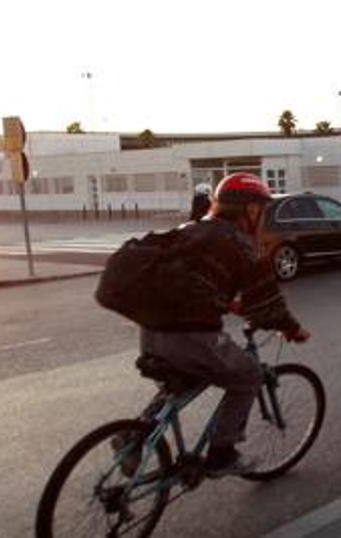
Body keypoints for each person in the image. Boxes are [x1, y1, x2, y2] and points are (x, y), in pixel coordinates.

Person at [138, 172, 310, 476]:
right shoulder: (242, 244)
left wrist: (228, 303)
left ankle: (134, 437)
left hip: (151, 332)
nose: (262, 216)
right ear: (250, 210)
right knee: (249, 376)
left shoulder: (189, 229)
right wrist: (292, 329)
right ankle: (222, 453)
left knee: (185, 380)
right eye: (261, 209)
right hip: (190, 339)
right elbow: (267, 304)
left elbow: (191, 282)